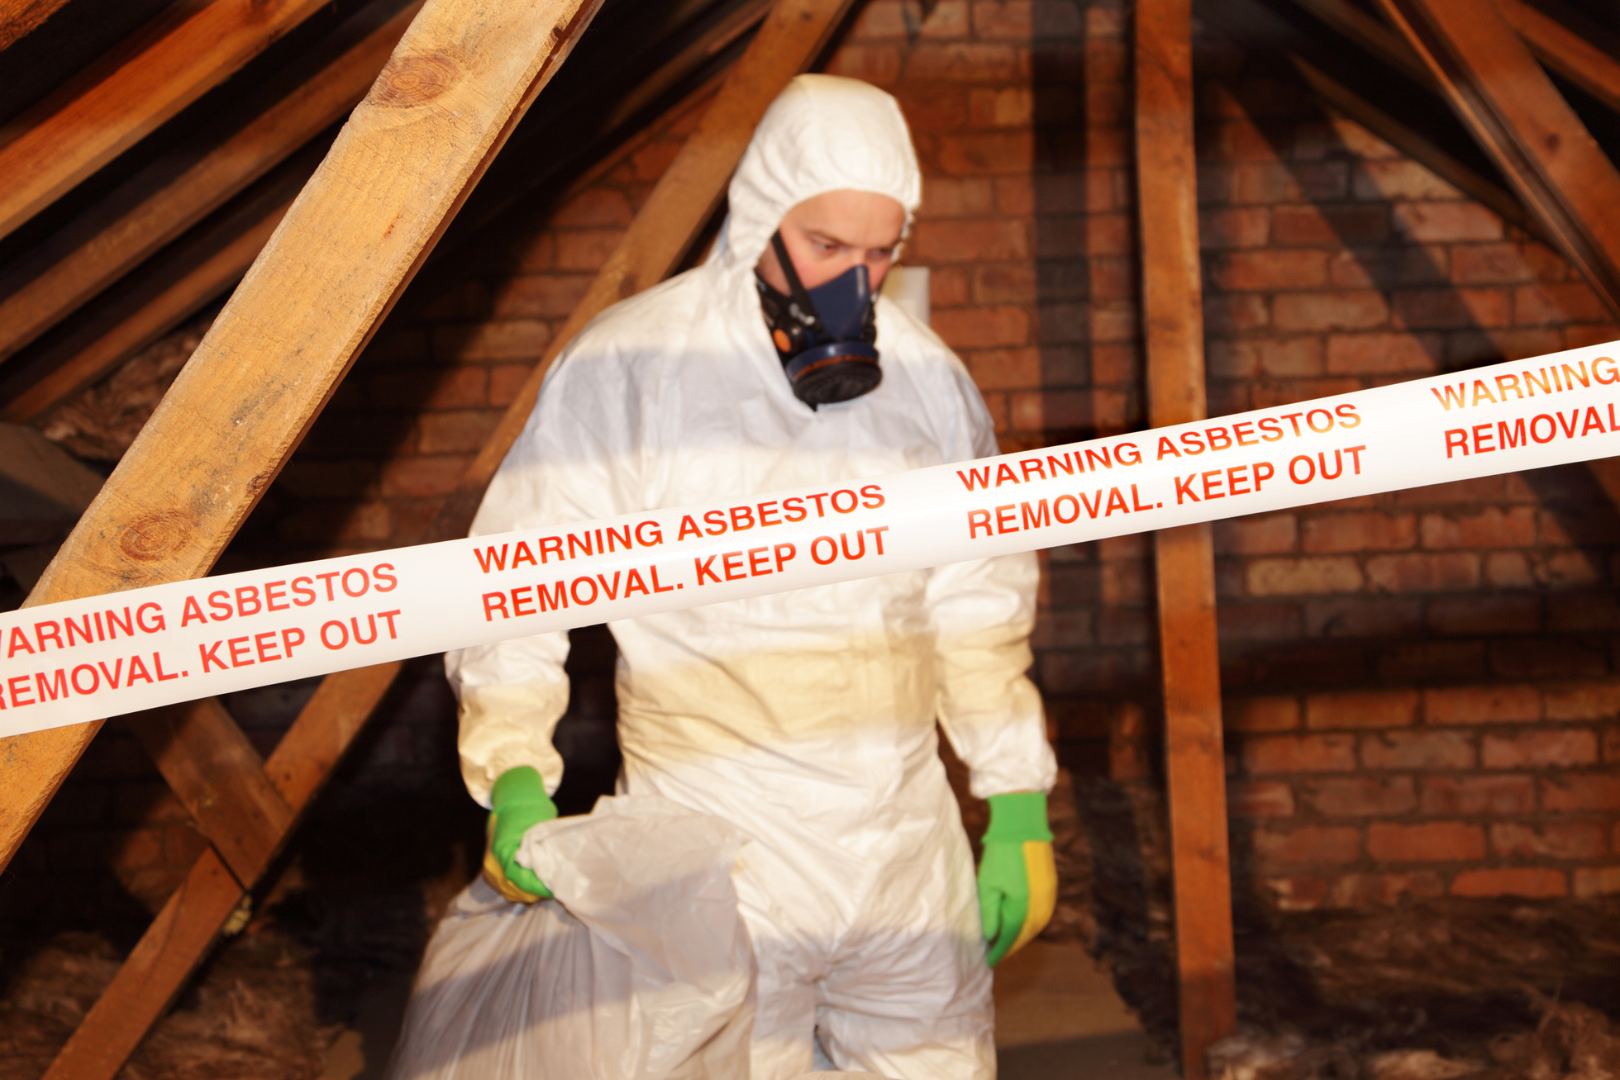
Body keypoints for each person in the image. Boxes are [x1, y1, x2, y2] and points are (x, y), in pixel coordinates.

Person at [445, 74, 1058, 1079]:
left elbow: (977, 602)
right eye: (825, 248)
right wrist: (515, 770)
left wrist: (1016, 797)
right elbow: (519, 579)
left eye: (881, 253)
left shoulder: (927, 379)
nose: (852, 287)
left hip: (900, 837)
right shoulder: (631, 367)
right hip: (717, 848)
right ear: (761, 217)